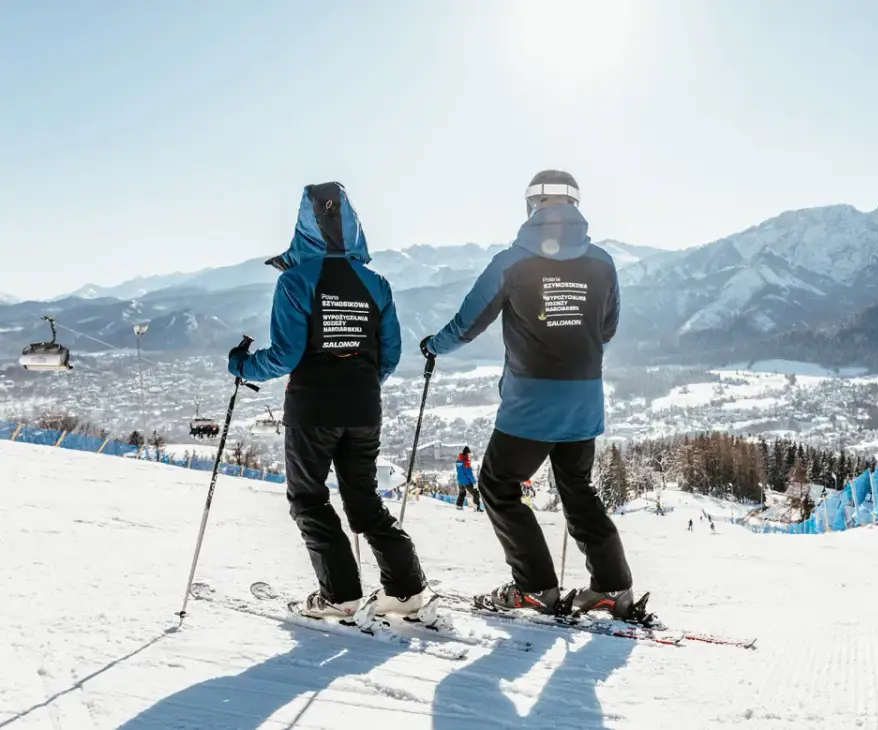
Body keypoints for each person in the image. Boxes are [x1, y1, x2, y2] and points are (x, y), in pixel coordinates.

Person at [419, 170, 637, 619]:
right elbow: (608, 328)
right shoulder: (602, 263)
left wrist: (431, 346)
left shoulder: (512, 262)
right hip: (584, 400)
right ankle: (612, 587)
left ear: (531, 206)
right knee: (577, 487)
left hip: (532, 404)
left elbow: (467, 324)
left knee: (497, 486)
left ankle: (536, 586)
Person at [229, 182, 433, 622]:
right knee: (364, 500)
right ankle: (406, 591)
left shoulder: (295, 280)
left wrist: (242, 366)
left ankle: (340, 596)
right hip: (364, 408)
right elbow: (391, 354)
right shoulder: (376, 284)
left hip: (313, 409)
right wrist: (358, 382)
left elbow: (284, 355)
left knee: (309, 499)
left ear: (304, 228)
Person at [456, 446, 482, 511]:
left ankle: (459, 506)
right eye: (469, 454)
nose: (470, 455)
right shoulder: (466, 461)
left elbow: (459, 470)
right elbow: (468, 473)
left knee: (462, 493)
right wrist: (474, 481)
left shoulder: (458, 460)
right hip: (466, 481)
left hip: (460, 480)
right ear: (467, 453)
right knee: (475, 493)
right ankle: (477, 507)